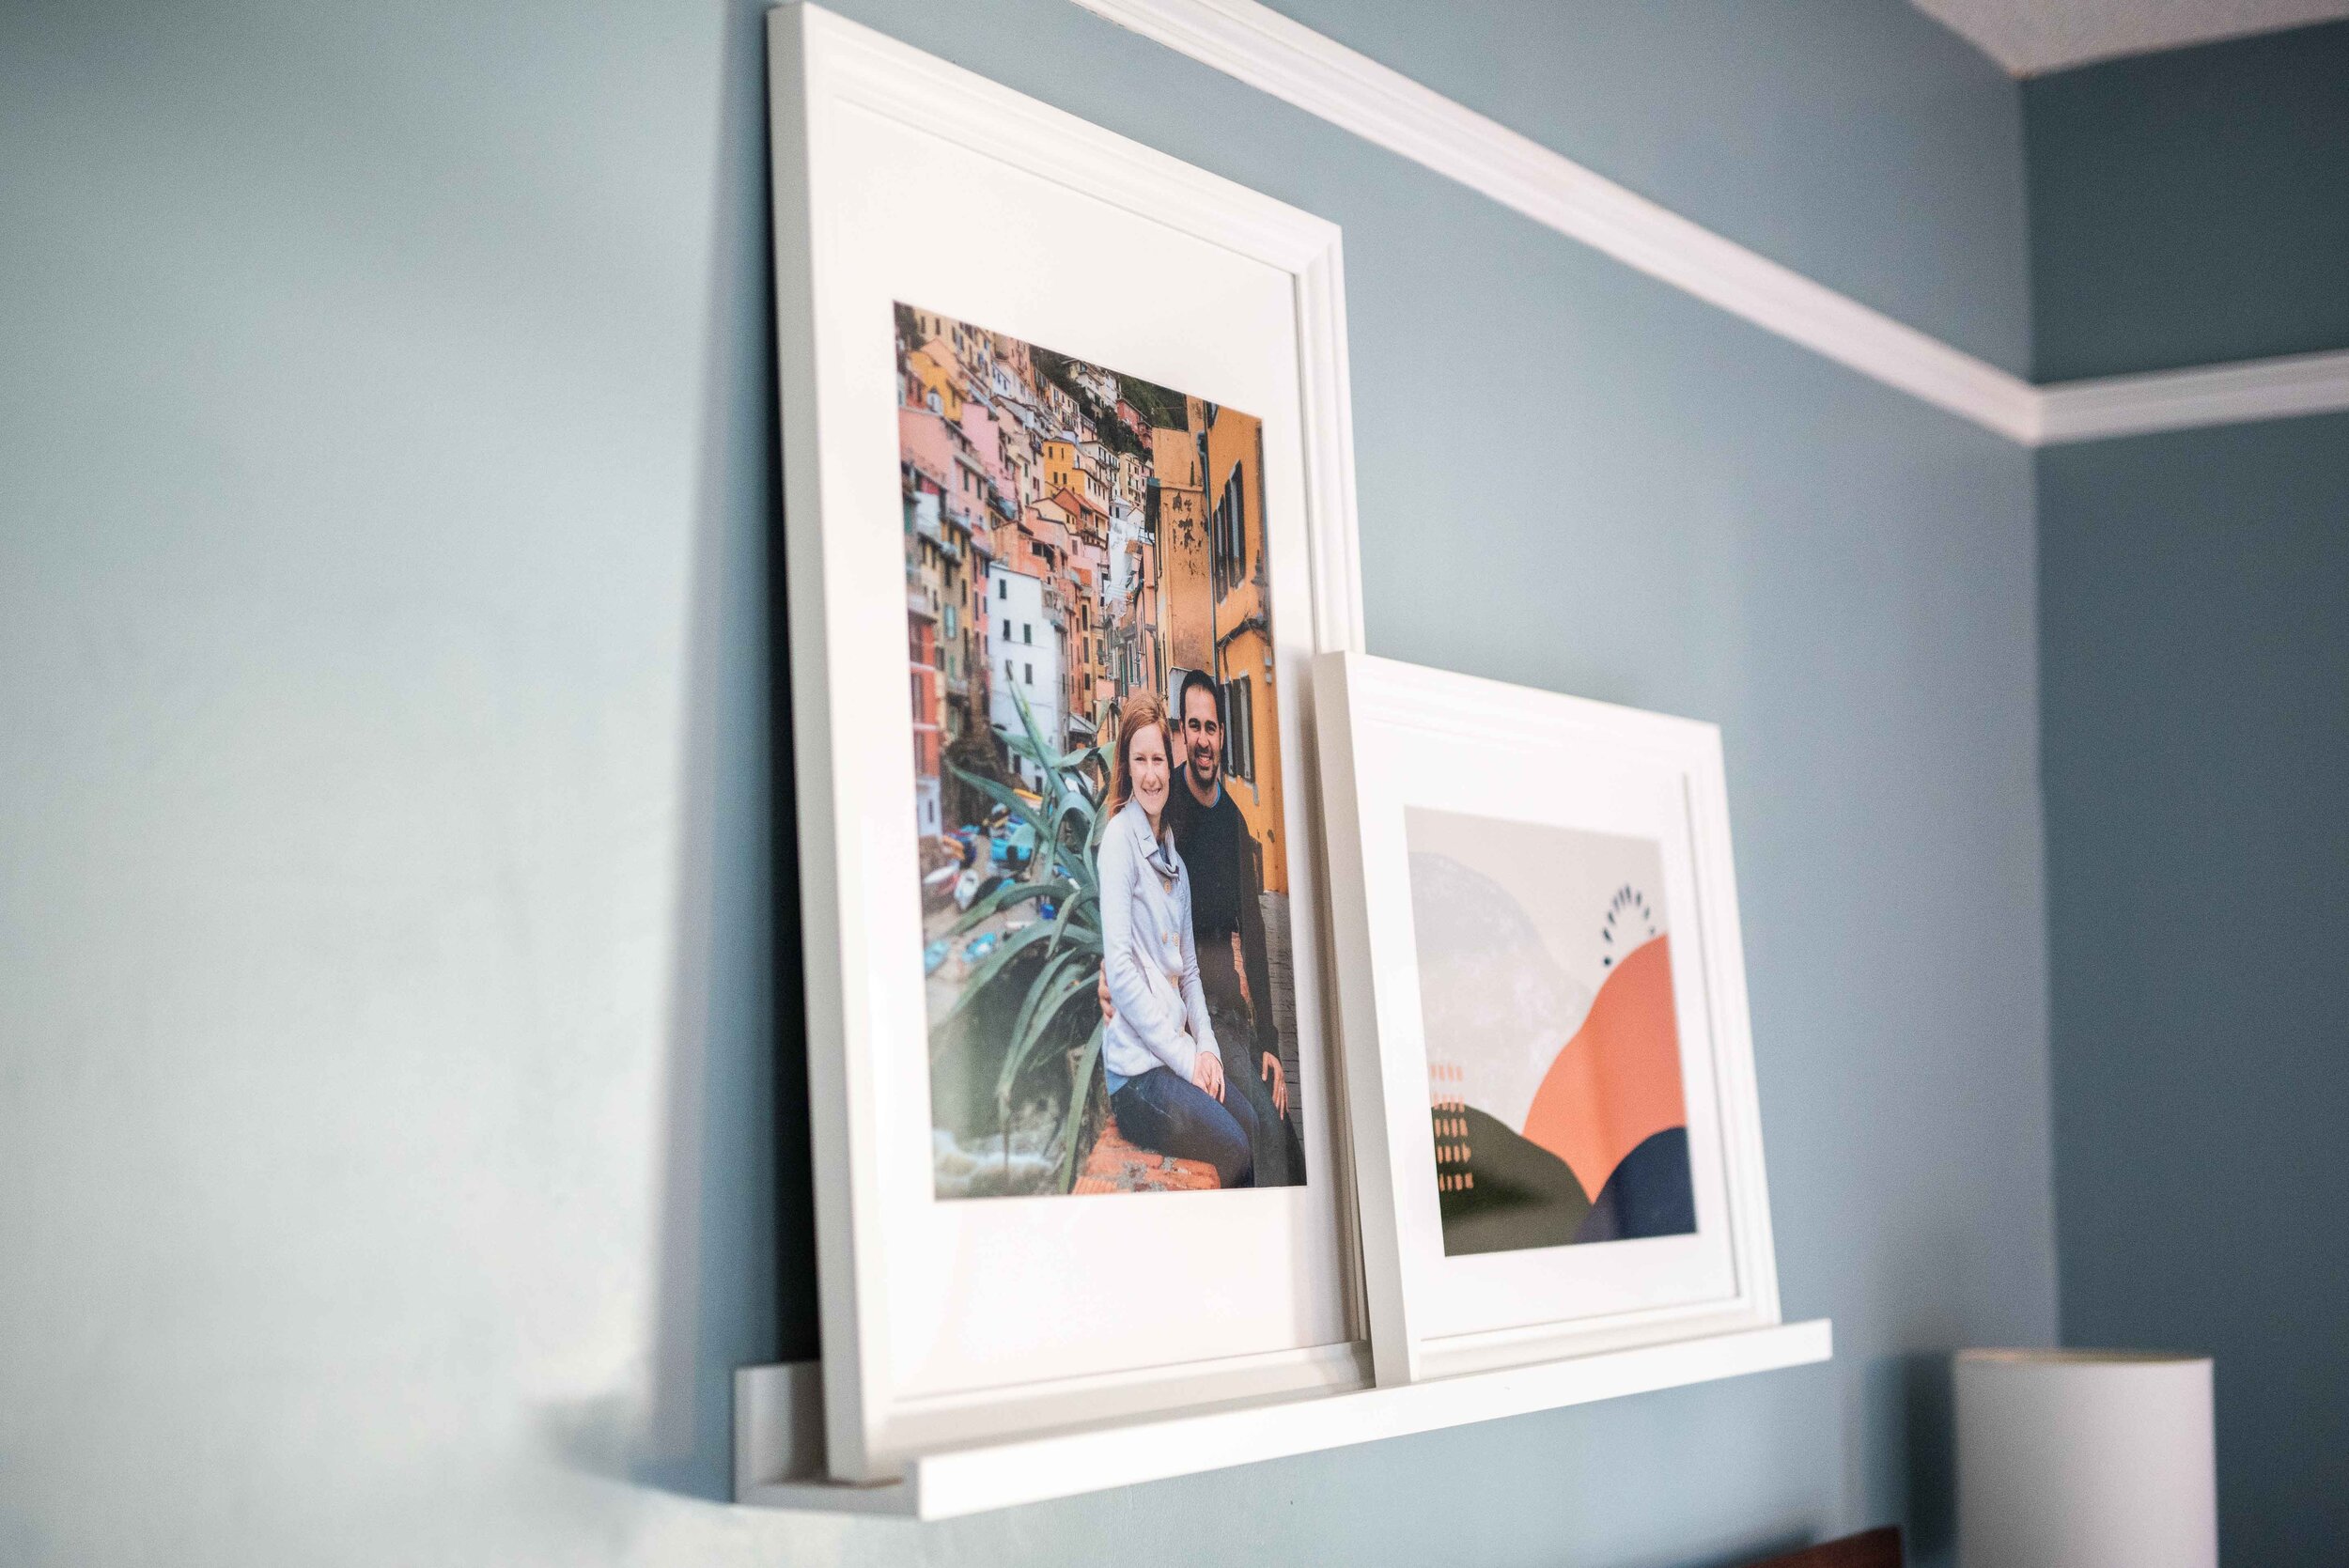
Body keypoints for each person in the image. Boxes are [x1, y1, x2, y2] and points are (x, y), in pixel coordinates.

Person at [1093, 692, 1259, 1188]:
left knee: (1251, 1123)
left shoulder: (1175, 865)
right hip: (1139, 1078)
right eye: (1139, 760)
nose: (1151, 775)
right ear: (1126, 766)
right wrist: (1191, 1062)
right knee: (1232, 1145)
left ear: (1171, 762)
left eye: (1158, 760)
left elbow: (1189, 973)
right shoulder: (1119, 843)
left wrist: (1206, 1050)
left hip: (1174, 1058)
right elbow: (1120, 971)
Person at [1162, 669, 1301, 1187]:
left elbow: (1258, 936)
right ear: (1182, 731)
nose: (1203, 740)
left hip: (1226, 1014)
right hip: (1180, 1012)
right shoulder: (1165, 809)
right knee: (1257, 1126)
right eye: (1193, 726)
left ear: (1222, 736)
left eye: (1211, 728)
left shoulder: (1235, 825)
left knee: (1282, 1128)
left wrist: (1271, 1043)